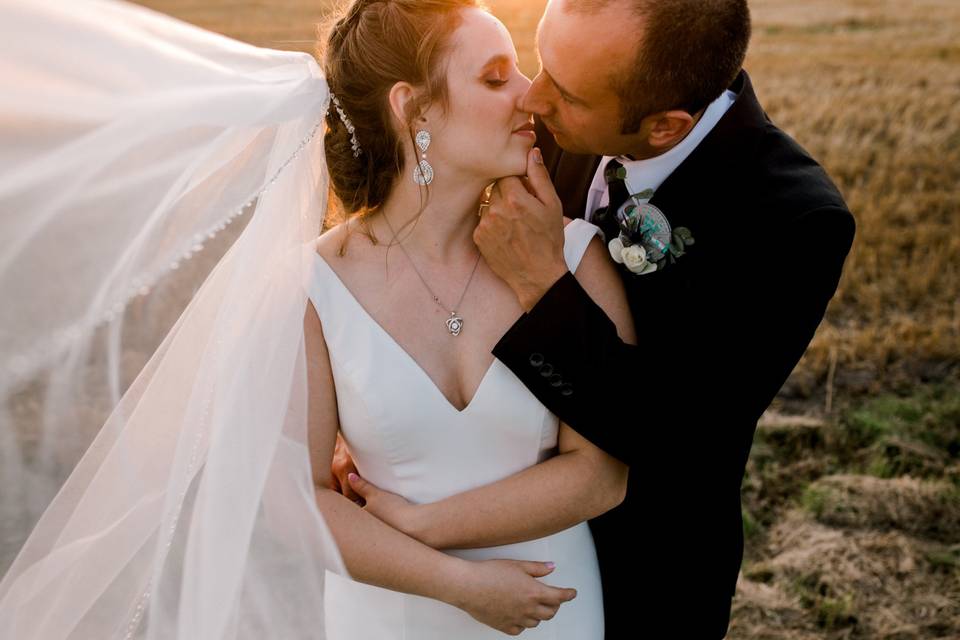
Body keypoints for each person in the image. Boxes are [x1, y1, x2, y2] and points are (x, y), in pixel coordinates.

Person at [0, 0, 632, 638]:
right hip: (393, 615)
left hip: (555, 609)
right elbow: (297, 502)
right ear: (413, 109)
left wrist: (423, 523)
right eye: (497, 78)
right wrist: (460, 584)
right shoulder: (312, 286)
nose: (532, 97)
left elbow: (601, 474)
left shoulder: (572, 258)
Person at [334, 0, 857, 637]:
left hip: (649, 572)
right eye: (539, 62)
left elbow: (679, 440)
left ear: (663, 127)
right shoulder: (537, 124)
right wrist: (372, 414)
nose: (534, 100)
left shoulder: (792, 222)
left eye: (568, 92)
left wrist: (544, 283)